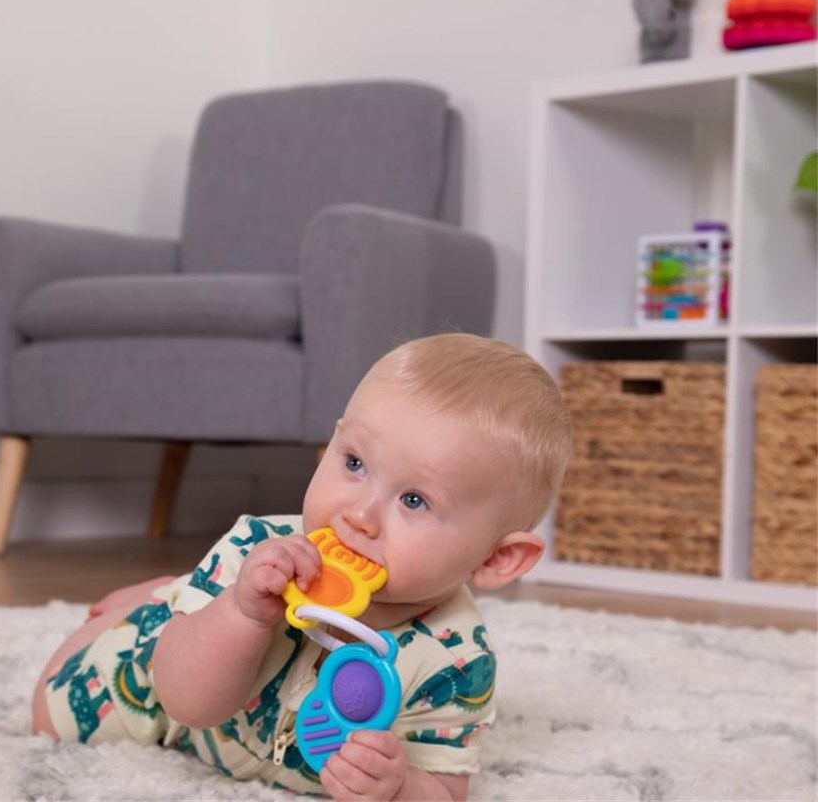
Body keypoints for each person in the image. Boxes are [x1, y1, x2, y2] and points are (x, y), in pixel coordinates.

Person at [32, 333, 572, 801]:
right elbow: (187, 702)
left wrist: (400, 787)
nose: (358, 515)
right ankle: (158, 604)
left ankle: (174, 591)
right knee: (48, 721)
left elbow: (445, 790)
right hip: (167, 684)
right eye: (354, 463)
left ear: (498, 558)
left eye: (414, 501)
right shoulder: (261, 554)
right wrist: (244, 612)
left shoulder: (457, 663)